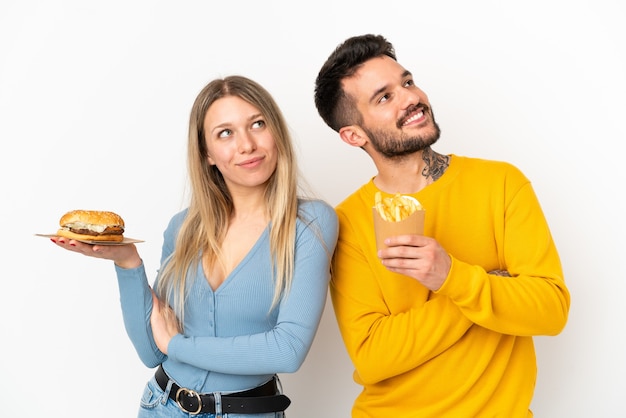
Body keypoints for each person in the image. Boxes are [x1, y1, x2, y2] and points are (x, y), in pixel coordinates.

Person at [314, 34, 570, 417]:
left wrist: (453, 276)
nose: (411, 97)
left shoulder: (501, 184)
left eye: (407, 81)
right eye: (384, 97)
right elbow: (372, 356)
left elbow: (550, 311)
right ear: (354, 135)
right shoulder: (348, 222)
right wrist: (480, 283)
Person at [51, 75, 338, 417]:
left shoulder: (311, 222)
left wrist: (178, 345)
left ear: (276, 131)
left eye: (257, 124)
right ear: (207, 154)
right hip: (161, 406)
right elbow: (150, 352)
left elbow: (287, 350)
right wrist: (128, 263)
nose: (246, 144)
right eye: (225, 133)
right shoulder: (183, 227)